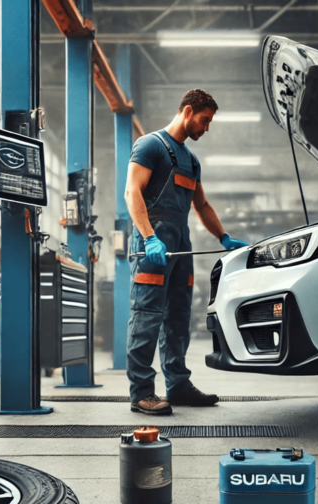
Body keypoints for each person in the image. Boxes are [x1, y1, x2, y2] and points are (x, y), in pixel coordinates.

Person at [124, 88, 247, 415]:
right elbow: (131, 191)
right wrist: (149, 237)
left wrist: (224, 237)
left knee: (179, 316)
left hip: (181, 247)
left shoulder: (190, 161)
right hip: (155, 245)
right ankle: (141, 393)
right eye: (205, 121)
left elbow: (202, 205)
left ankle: (177, 384)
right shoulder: (151, 145)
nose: (206, 129)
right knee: (147, 316)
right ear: (188, 111)